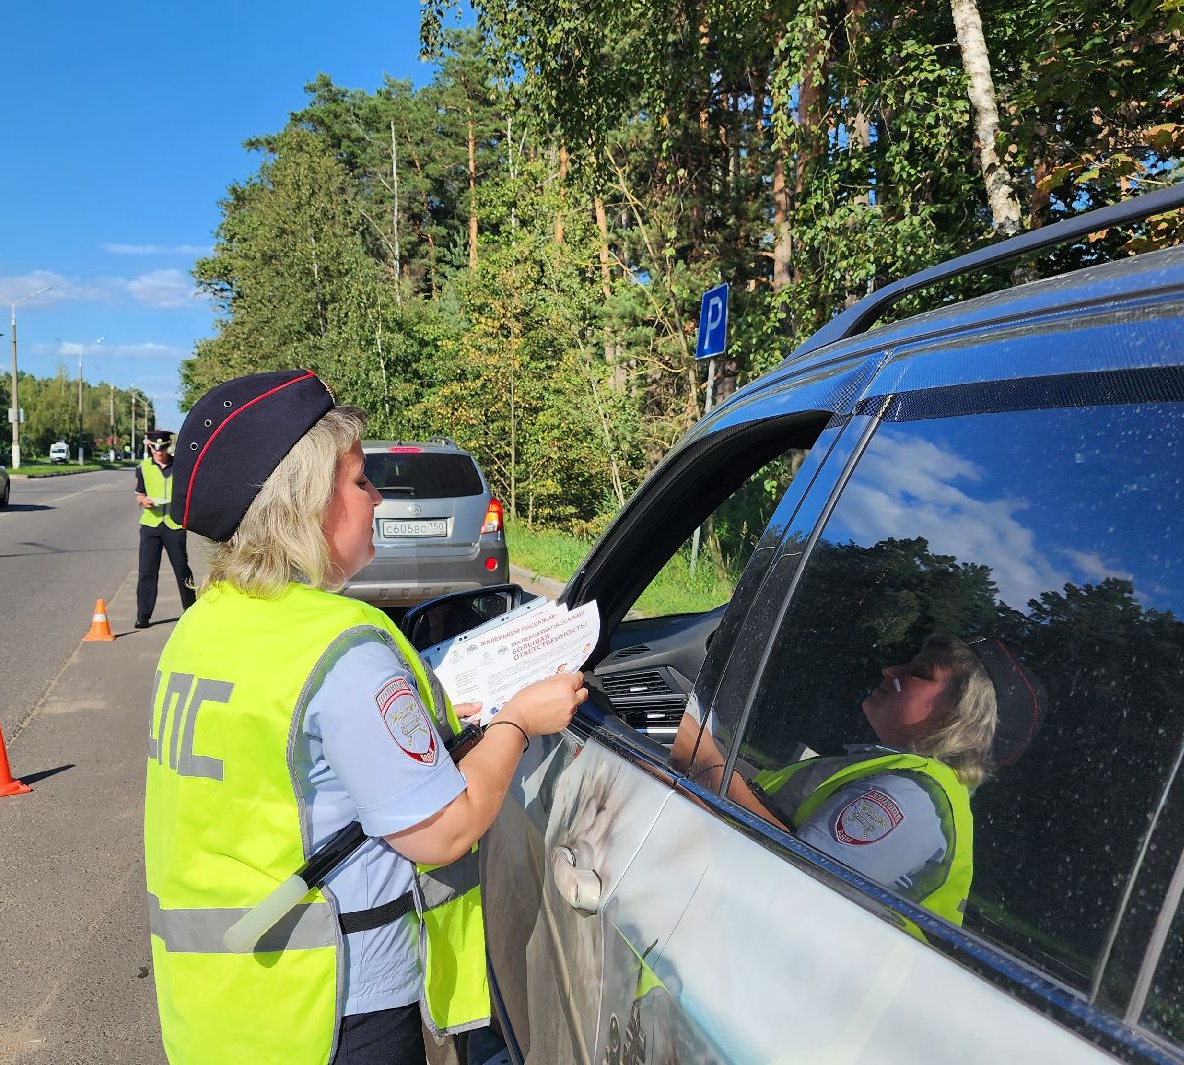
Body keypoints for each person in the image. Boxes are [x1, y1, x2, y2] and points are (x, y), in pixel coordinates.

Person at [143, 371, 585, 1064]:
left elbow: (288, 772)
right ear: (307, 502)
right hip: (333, 1005)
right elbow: (445, 829)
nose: (377, 496)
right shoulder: (340, 646)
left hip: (222, 997)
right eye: (359, 480)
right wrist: (519, 723)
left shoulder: (205, 627)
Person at [669, 633, 1044, 925]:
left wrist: (699, 755)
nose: (891, 670)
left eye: (918, 672)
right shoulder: (904, 780)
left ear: (958, 718)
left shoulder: (914, 799)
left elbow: (796, 881)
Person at [133, 429, 196, 629]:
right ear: (150, 446)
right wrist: (144, 501)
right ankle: (143, 615)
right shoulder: (143, 467)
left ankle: (191, 611)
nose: (160, 452)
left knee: (182, 569)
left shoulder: (179, 466)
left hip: (173, 525)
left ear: (169, 446)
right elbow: (139, 494)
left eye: (163, 448)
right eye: (156, 448)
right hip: (151, 525)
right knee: (147, 572)